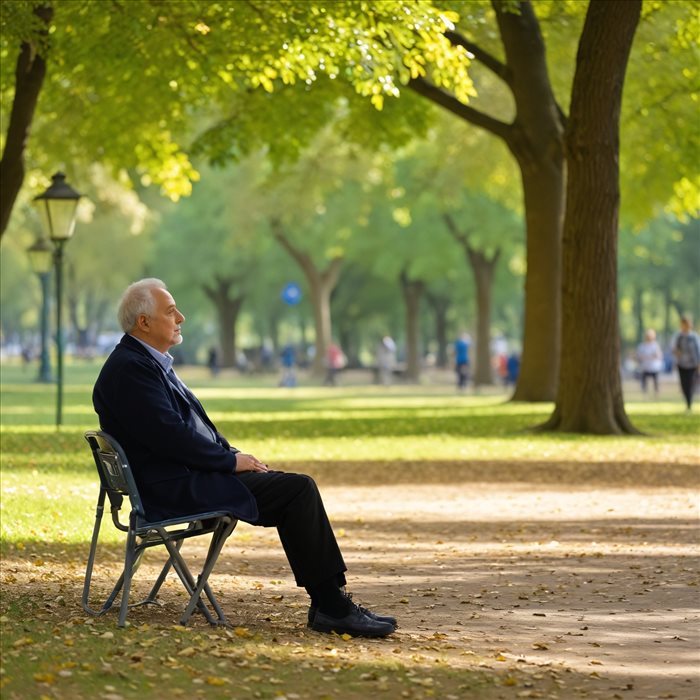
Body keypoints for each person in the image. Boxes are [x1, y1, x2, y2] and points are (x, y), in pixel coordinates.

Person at [92, 279, 396, 638]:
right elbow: (171, 436)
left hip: (183, 477)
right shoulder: (131, 368)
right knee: (297, 491)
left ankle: (329, 603)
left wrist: (231, 454)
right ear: (143, 322)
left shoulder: (142, 362)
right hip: (174, 489)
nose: (181, 318)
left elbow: (188, 430)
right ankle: (331, 606)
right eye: (171, 311)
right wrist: (230, 462)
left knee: (290, 489)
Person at [671, 315, 700, 413]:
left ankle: (689, 405)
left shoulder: (694, 337)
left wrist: (698, 364)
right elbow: (673, 348)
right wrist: (676, 353)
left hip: (692, 365)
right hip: (682, 364)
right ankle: (688, 404)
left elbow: (698, 351)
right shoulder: (679, 337)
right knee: (684, 386)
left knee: (690, 385)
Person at [636, 329, 663, 397]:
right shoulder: (642, 346)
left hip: (654, 367)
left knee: (655, 381)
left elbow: (658, 355)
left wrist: (650, 356)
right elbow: (639, 356)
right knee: (644, 381)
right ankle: (644, 393)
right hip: (645, 367)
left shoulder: (655, 345)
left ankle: (656, 393)